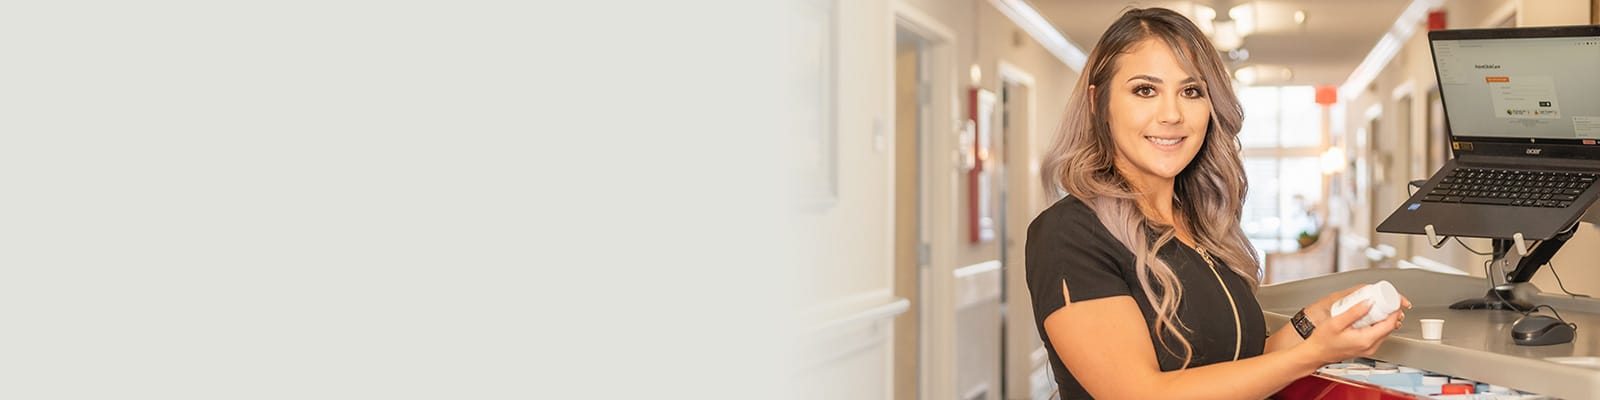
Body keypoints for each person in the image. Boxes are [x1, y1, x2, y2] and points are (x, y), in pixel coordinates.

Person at [1027, 7, 1410, 399]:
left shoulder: (1201, 227)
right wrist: (1313, 355)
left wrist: (1314, 320)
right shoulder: (1069, 233)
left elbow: (1239, 369)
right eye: (1145, 90)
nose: (1172, 114)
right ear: (1098, 102)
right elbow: (1141, 394)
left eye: (1191, 91)